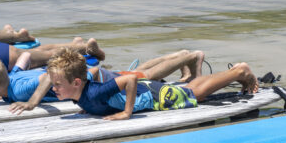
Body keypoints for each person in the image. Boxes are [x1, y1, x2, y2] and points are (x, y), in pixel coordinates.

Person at [46, 48, 258, 121]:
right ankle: (236, 72)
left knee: (195, 94)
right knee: (188, 89)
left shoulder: (95, 93)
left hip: (153, 95)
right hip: (148, 89)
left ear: (75, 82)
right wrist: (86, 106)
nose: (53, 88)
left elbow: (129, 79)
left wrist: (126, 112)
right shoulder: (82, 94)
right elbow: (90, 82)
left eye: (57, 84)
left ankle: (239, 71)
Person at [0, 49, 205, 114]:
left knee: (147, 76)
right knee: (140, 72)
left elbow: (97, 71)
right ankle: (182, 55)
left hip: (104, 79)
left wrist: (33, 103)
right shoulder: (12, 79)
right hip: (101, 80)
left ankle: (189, 57)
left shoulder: (81, 84)